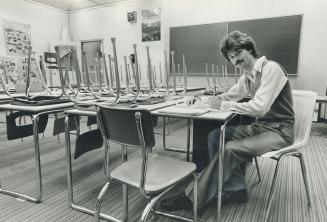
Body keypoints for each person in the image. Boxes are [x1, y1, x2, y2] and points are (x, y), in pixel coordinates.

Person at [160, 30, 295, 211]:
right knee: (215, 136)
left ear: (249, 49)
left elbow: (260, 107)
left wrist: (223, 106)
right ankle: (236, 189)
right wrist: (203, 101)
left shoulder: (271, 69)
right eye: (231, 57)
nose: (235, 60)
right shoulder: (246, 76)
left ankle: (193, 197)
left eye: (238, 53)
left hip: (280, 131)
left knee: (230, 149)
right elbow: (228, 96)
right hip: (260, 127)